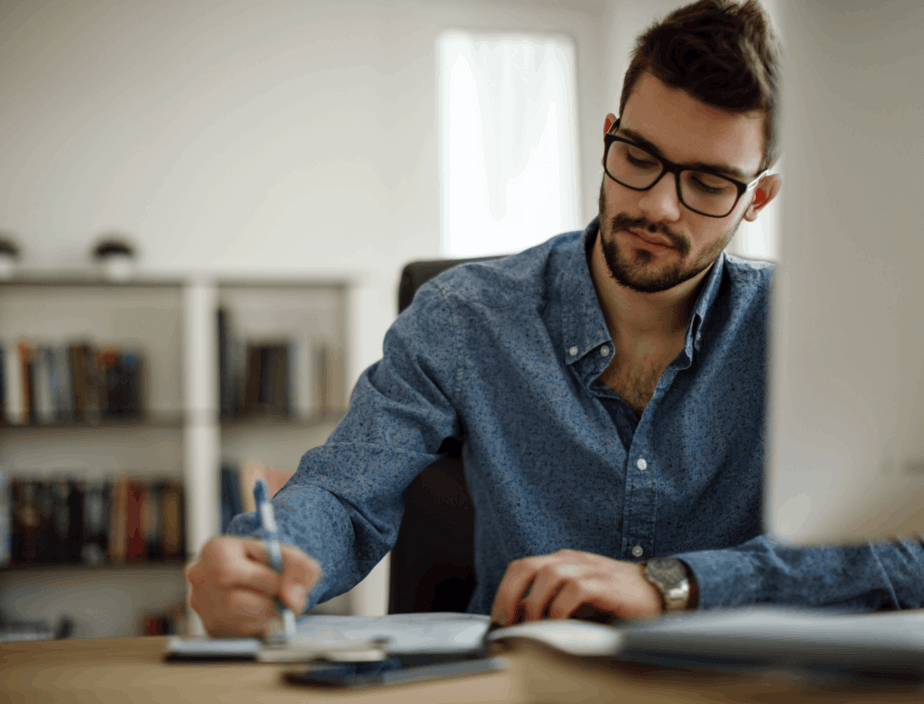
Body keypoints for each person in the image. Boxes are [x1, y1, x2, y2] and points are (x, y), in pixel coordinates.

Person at [185, 0, 924, 638]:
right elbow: (346, 494)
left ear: (757, 200)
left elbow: (907, 548)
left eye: (706, 182)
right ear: (609, 135)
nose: (659, 206)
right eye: (638, 157)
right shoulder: (463, 316)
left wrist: (675, 585)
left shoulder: (816, 332)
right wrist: (262, 559)